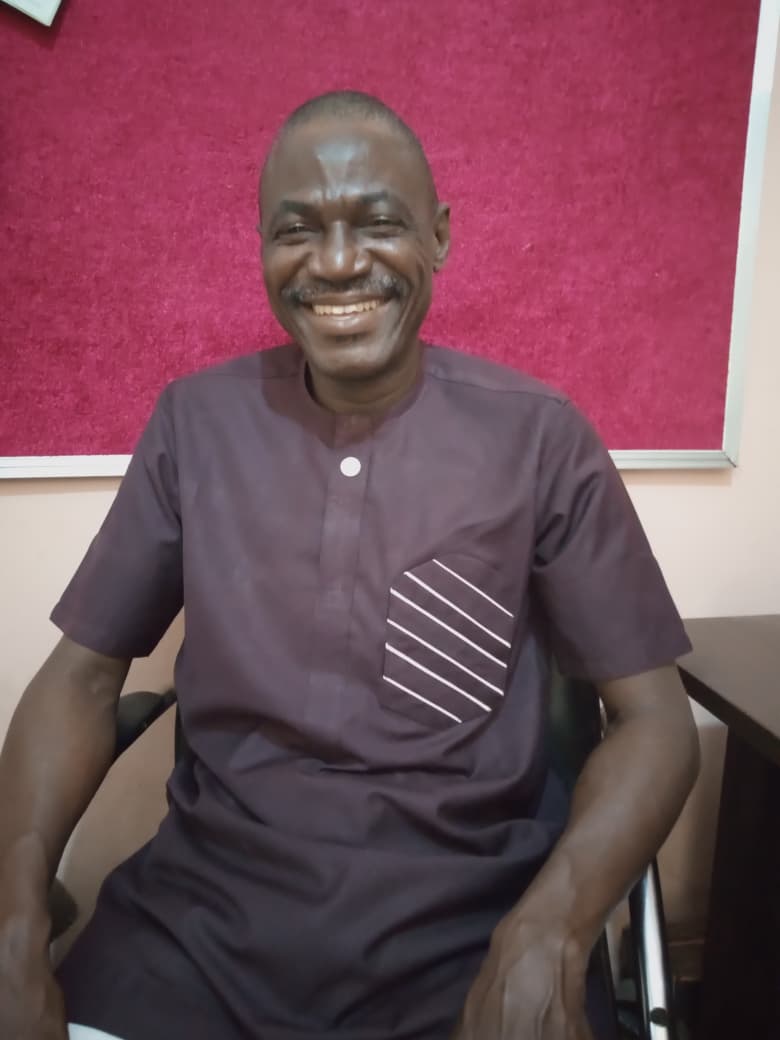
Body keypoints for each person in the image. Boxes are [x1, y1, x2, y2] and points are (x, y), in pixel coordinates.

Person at [0, 91, 699, 1040]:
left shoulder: (540, 440)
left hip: (468, 940)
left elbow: (656, 722)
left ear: (439, 236)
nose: (335, 263)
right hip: (196, 934)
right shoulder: (195, 426)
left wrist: (553, 929)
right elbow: (81, 680)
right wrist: (13, 912)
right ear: (261, 246)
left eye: (377, 224)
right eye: (298, 230)